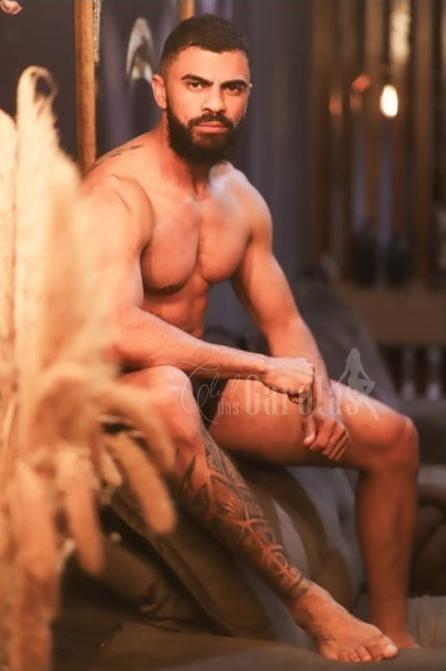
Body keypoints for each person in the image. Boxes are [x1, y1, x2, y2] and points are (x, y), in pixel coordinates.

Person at [82, 14, 420, 663]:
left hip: (197, 382)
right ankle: (309, 603)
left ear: (247, 94)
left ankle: (396, 634)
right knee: (168, 387)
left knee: (395, 437)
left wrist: (321, 394)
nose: (214, 103)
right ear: (161, 90)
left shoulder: (239, 199)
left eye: (231, 88)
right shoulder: (118, 192)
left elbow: (285, 322)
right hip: (116, 387)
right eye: (196, 85)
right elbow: (118, 330)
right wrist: (261, 369)